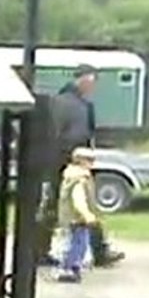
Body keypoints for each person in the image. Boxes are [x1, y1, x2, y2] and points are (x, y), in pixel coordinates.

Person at [38, 64, 124, 267]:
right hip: (67, 162)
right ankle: (97, 252)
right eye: (92, 81)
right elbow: (68, 135)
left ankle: (42, 250)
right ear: (84, 79)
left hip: (67, 161)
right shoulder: (69, 105)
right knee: (77, 207)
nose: (93, 87)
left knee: (63, 206)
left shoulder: (69, 103)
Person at [55, 147, 98, 283]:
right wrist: (87, 215)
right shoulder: (79, 179)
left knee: (76, 242)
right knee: (78, 243)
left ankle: (71, 267)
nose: (92, 163)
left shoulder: (72, 176)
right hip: (77, 218)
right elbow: (78, 200)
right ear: (80, 161)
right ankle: (69, 268)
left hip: (72, 217)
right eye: (89, 160)